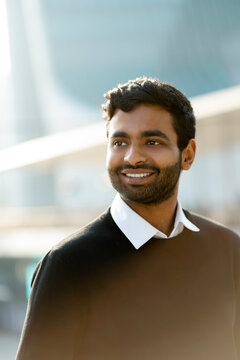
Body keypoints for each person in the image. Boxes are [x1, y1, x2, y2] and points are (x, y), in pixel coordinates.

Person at [16, 77, 240, 360]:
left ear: (188, 154)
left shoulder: (228, 249)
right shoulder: (67, 265)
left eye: (152, 141)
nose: (132, 157)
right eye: (120, 142)